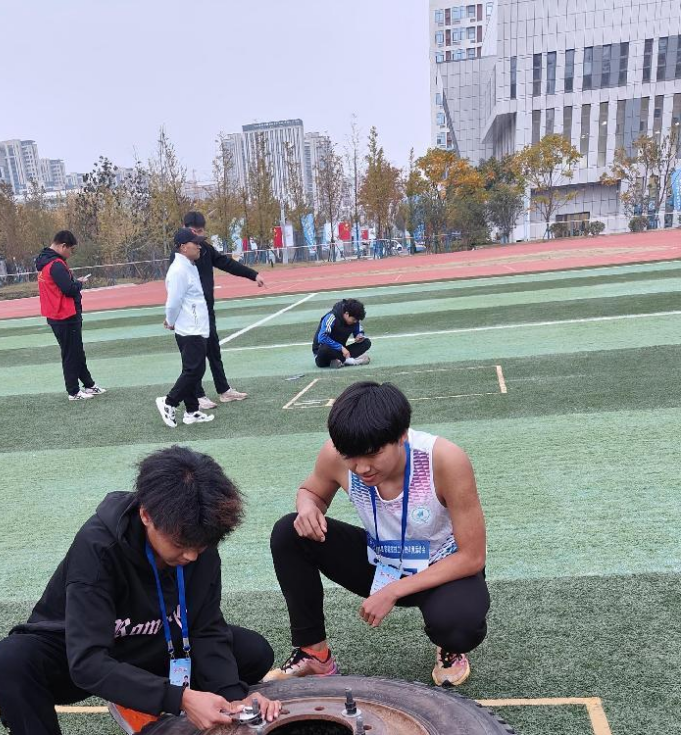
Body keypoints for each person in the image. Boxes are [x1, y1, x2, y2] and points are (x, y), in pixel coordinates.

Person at [0, 447, 280, 735]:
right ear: (146, 515)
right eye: (181, 545)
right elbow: (87, 661)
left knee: (252, 651)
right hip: (81, 652)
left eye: (201, 546)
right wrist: (179, 699)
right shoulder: (97, 545)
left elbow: (206, 627)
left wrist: (236, 698)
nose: (192, 556)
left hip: (159, 644)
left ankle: (134, 696)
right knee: (10, 662)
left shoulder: (198, 540)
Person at [269, 381, 489, 689]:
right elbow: (312, 491)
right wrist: (307, 508)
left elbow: (473, 556)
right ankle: (314, 655)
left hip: (441, 568)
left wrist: (394, 591)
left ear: (401, 436)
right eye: (350, 456)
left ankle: (449, 648)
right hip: (381, 561)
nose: (362, 468)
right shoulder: (335, 455)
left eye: (373, 454)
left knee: (459, 624)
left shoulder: (443, 459)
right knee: (289, 532)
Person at [182, 211, 267, 407]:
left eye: (201, 231)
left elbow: (226, 263)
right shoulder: (179, 254)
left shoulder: (205, 248)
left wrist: (253, 275)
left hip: (206, 311)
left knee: (214, 351)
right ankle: (197, 395)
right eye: (194, 231)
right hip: (190, 313)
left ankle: (224, 390)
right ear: (185, 228)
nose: (198, 235)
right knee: (194, 355)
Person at [36, 230, 106, 402]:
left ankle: (88, 384)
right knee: (71, 354)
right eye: (71, 249)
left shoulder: (46, 262)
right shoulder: (56, 264)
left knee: (76, 352)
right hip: (64, 315)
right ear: (63, 246)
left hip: (59, 314)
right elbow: (68, 289)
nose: (71, 253)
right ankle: (73, 391)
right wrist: (79, 284)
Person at [156, 229, 214, 428]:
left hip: (195, 326)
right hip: (189, 328)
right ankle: (169, 402)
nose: (199, 246)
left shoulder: (188, 266)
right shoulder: (179, 270)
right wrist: (170, 320)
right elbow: (174, 301)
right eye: (194, 243)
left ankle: (191, 411)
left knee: (193, 369)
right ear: (183, 247)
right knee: (194, 370)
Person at [312, 298, 371, 369]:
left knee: (366, 342)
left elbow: (358, 330)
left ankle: (340, 361)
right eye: (354, 319)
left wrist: (359, 335)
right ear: (347, 314)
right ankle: (351, 361)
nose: (355, 322)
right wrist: (341, 348)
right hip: (322, 353)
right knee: (324, 348)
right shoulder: (331, 317)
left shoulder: (354, 319)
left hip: (341, 352)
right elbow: (322, 338)